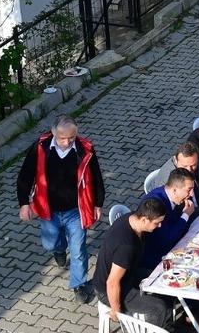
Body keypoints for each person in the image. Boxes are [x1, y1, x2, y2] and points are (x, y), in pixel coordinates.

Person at [17, 115, 105, 303]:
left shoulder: (85, 150)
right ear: (54, 133)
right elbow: (25, 175)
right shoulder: (41, 148)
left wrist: (98, 204)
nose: (66, 142)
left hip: (76, 210)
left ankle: (78, 285)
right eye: (62, 138)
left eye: (71, 138)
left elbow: (96, 177)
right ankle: (58, 249)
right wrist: (23, 203)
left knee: (78, 250)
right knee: (49, 243)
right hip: (49, 210)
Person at [93, 198, 171, 328]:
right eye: (157, 223)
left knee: (164, 280)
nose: (160, 226)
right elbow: (112, 282)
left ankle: (167, 325)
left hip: (128, 275)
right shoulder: (127, 246)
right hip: (110, 290)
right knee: (158, 309)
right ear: (144, 219)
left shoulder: (131, 218)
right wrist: (116, 310)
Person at [141, 168, 199, 270]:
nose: (191, 194)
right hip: (157, 257)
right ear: (174, 189)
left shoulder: (177, 196)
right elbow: (167, 239)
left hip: (174, 246)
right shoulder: (157, 205)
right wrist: (186, 215)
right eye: (189, 189)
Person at [156, 141, 199, 206]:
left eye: (193, 165)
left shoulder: (195, 160)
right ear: (176, 160)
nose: (189, 170)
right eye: (184, 166)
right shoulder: (168, 179)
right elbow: (179, 209)